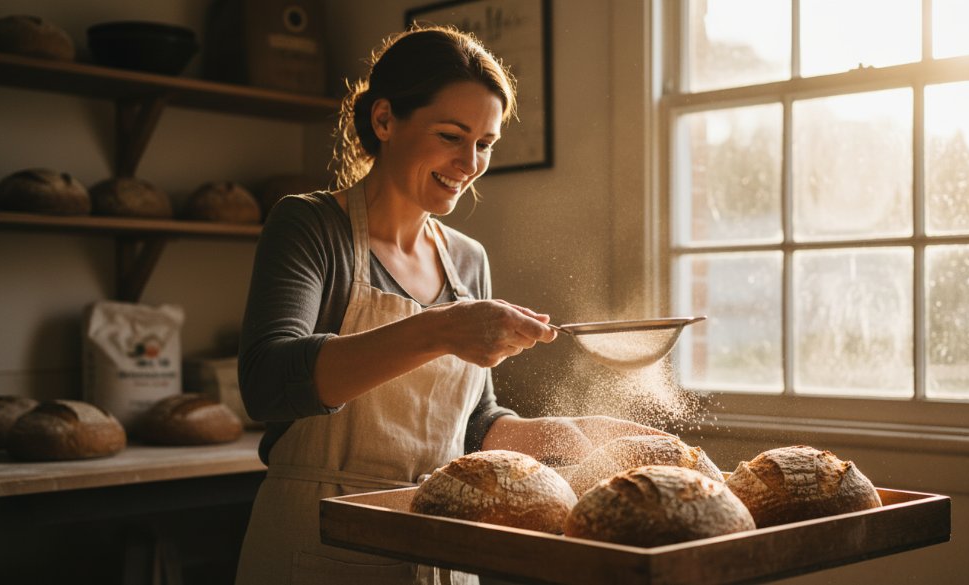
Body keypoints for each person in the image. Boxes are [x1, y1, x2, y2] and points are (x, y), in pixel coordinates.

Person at [234, 25, 668, 585]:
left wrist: (577, 434)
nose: (470, 163)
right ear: (385, 120)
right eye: (451, 136)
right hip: (318, 539)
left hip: (443, 539)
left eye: (484, 143)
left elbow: (473, 426)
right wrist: (438, 331)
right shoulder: (310, 226)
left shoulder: (467, 260)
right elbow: (267, 384)